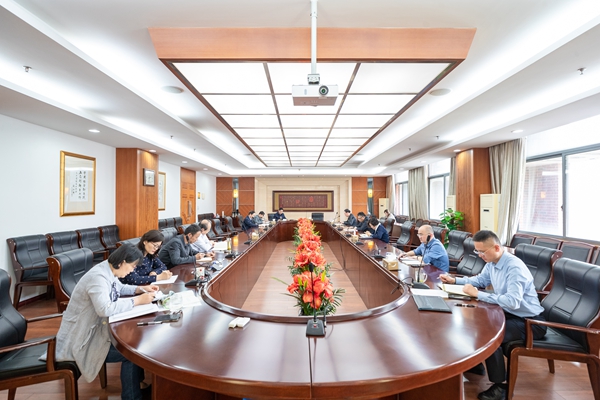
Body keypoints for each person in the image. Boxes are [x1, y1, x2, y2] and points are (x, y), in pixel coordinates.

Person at [439, 230, 546, 400]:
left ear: (496, 247)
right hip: (509, 313)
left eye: (482, 251)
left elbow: (512, 302)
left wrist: (478, 294)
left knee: (490, 335)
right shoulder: (492, 262)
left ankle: (500, 387)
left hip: (530, 323)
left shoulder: (514, 267)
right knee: (475, 322)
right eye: (477, 251)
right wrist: (455, 280)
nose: (480, 255)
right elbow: (480, 280)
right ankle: (476, 363)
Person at [55, 244, 158, 400]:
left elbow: (119, 288)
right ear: (122, 262)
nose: (132, 271)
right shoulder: (98, 277)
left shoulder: (107, 268)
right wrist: (137, 301)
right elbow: (104, 309)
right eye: (132, 266)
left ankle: (137, 386)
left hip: (94, 331)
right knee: (131, 353)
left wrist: (140, 289)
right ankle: (131, 397)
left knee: (135, 345)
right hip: (80, 341)